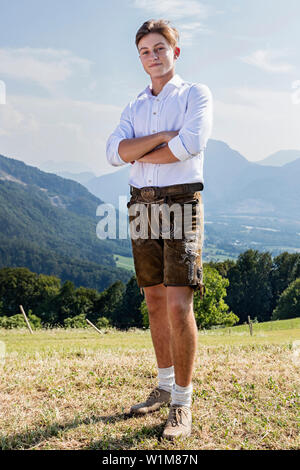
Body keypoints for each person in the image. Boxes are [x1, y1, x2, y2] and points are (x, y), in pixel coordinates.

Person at [106, 19, 213, 440]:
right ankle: (164, 386)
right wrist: (162, 137)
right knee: (153, 300)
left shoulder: (195, 94)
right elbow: (114, 153)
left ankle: (182, 404)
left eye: (158, 49)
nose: (152, 57)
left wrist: (145, 148)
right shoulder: (133, 105)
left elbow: (190, 145)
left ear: (175, 52)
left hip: (181, 201)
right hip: (141, 205)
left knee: (177, 305)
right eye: (144, 52)